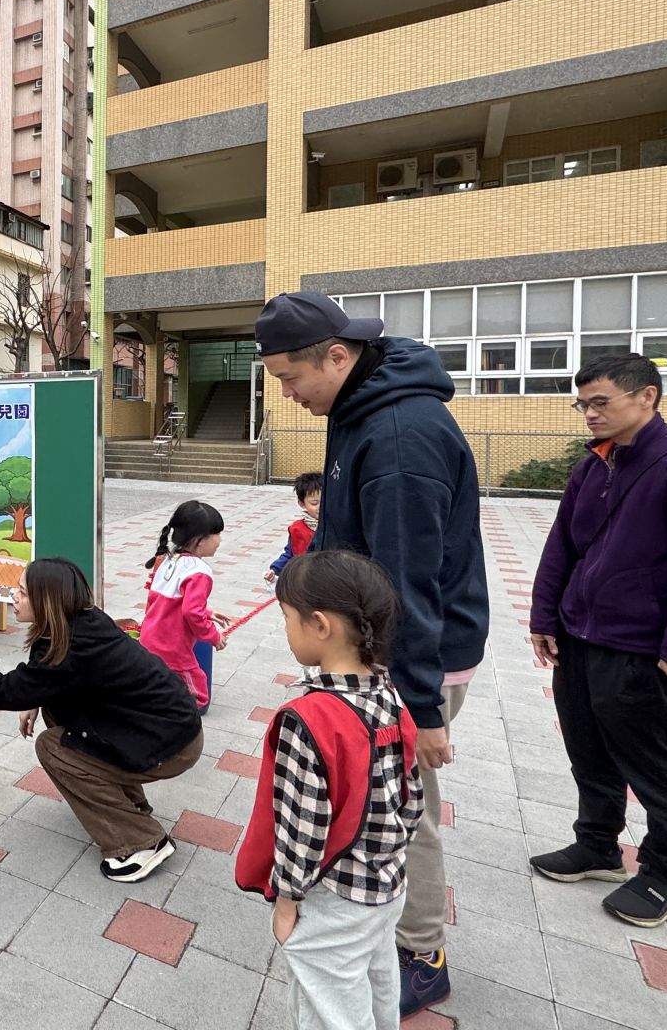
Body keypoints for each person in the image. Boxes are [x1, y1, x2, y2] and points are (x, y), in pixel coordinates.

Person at [256, 290, 487, 1016]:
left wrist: (422, 708)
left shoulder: (396, 438)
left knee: (402, 804)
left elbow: (407, 581)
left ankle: (421, 949)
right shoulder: (359, 404)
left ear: (336, 355)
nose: (287, 395)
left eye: (291, 379)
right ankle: (384, 921)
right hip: (370, 646)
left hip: (410, 657)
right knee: (376, 793)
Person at [529, 354, 667, 927]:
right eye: (582, 404)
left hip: (641, 647)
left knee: (655, 764)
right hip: (579, 636)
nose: (589, 414)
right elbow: (562, 546)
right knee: (588, 750)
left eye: (601, 402)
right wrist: (545, 617)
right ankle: (597, 845)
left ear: (647, 396)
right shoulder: (596, 464)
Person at [236, 551, 423, 1030]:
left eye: (287, 619)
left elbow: (302, 828)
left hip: (335, 895)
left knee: (330, 1008)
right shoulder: (388, 693)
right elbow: (412, 796)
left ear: (320, 625)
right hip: (387, 885)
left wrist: (287, 899)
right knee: (379, 984)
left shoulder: (310, 720)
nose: (286, 630)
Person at [0, 558, 203, 883]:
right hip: (163, 725)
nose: (14, 595)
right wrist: (34, 698)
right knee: (59, 714)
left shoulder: (71, 649)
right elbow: (46, 680)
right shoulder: (82, 622)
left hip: (170, 743)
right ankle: (130, 806)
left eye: (23, 592)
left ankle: (142, 842)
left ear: (48, 602)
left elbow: (0, 692)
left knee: (53, 748)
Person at [137, 500, 231, 711]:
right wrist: (214, 636)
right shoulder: (199, 572)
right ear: (199, 540)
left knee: (157, 685)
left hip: (150, 640)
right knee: (197, 692)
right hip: (173, 648)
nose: (219, 540)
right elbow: (191, 612)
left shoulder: (168, 561)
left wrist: (208, 612)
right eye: (216, 534)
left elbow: (166, 602)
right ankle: (184, 721)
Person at [264, 472, 322, 584]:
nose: (321, 507)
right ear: (302, 503)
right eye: (314, 503)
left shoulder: (336, 526)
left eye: (325, 501)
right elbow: (289, 554)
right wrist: (275, 569)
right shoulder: (297, 529)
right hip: (302, 582)